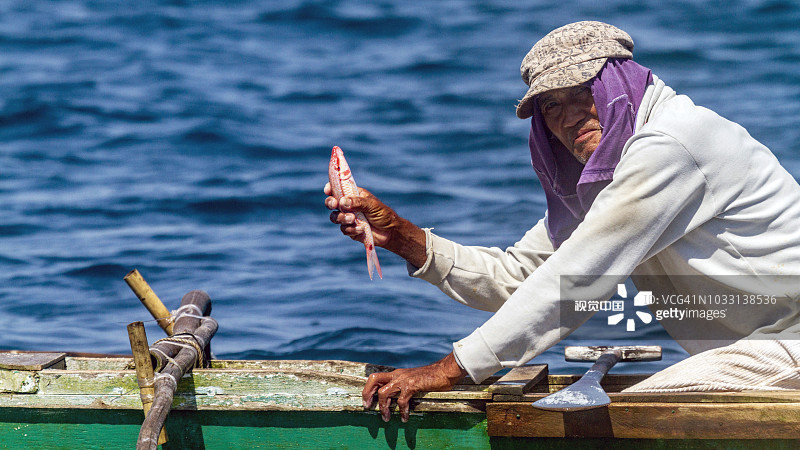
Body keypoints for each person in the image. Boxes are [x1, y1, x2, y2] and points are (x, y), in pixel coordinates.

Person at [324, 21, 800, 423]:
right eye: (551, 105)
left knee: (627, 421)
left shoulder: (672, 145)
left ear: (621, 82)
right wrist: (405, 239)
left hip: (789, 343)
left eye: (582, 92)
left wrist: (451, 369)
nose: (570, 117)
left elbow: (576, 281)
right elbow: (520, 280)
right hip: (759, 352)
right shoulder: (614, 170)